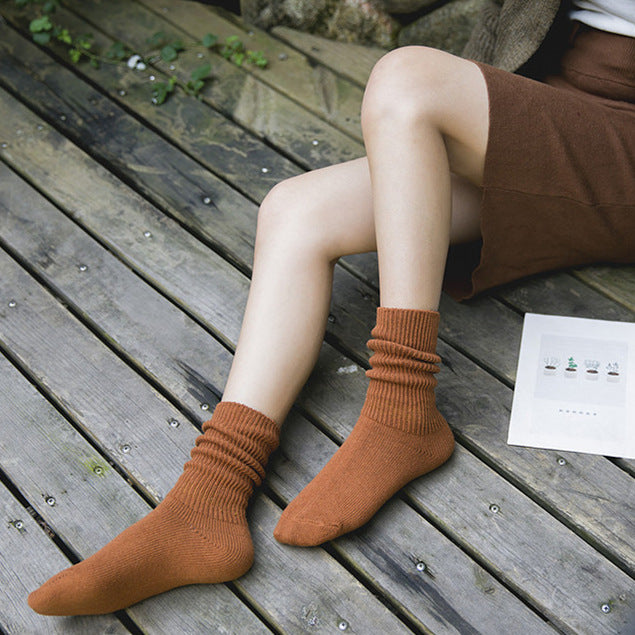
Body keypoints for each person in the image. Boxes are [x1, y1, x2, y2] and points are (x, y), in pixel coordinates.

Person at [28, 0, 635, 615]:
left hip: (622, 145)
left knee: (409, 81)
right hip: (543, 109)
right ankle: (206, 498)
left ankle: (402, 406)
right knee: (296, 211)